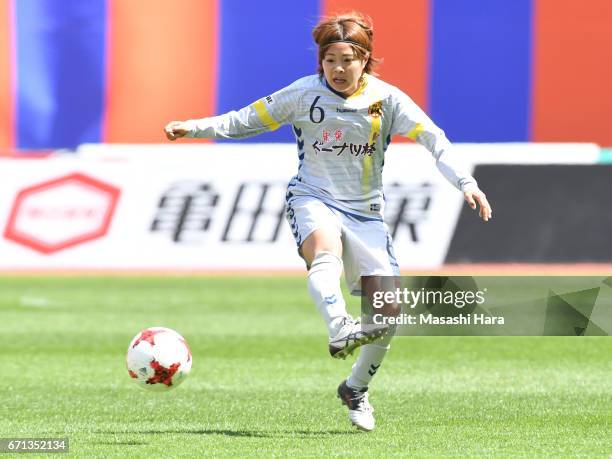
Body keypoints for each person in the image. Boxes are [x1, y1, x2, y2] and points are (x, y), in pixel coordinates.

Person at [164, 12, 492, 432]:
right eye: (330, 59)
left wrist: (465, 182)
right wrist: (192, 128)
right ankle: (339, 326)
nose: (338, 68)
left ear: (366, 60)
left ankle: (355, 388)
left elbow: (434, 139)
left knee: (388, 314)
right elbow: (242, 121)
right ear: (320, 61)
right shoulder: (303, 95)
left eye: (347, 60)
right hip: (312, 197)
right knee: (325, 252)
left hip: (366, 212)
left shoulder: (387, 100)